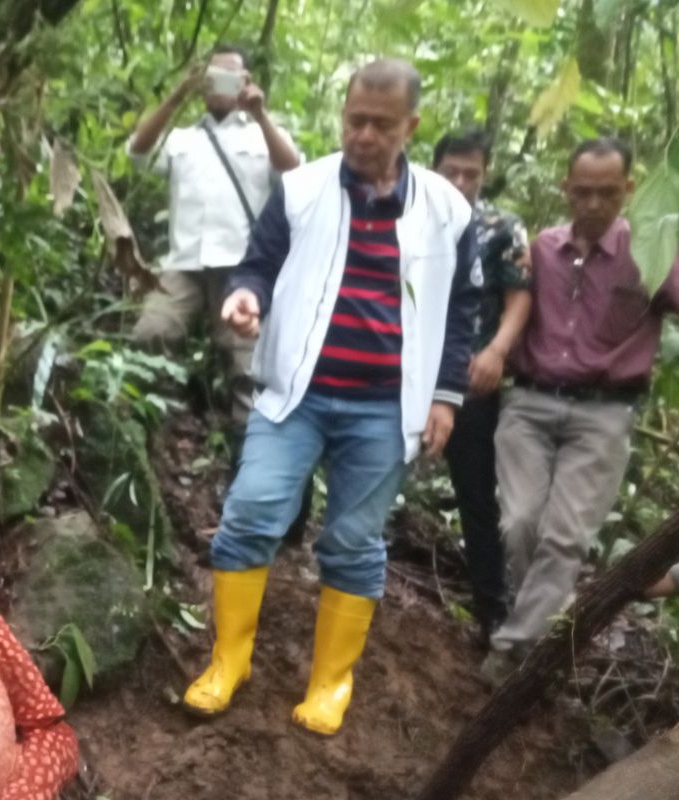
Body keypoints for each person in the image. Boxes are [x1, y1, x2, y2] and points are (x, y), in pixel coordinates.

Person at [182, 58, 481, 736]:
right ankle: (229, 661)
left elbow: (462, 310)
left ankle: (331, 683)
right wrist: (245, 296)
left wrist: (446, 396)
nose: (364, 135)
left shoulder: (445, 209)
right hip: (297, 392)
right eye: (354, 120)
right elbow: (257, 262)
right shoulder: (303, 190)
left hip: (385, 405)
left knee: (352, 539)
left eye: (380, 124)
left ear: (411, 126)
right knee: (251, 512)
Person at [482, 137, 679, 682]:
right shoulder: (539, 249)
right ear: (566, 188)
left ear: (630, 190)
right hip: (531, 403)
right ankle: (547, 625)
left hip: (603, 413)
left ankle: (514, 652)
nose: (593, 204)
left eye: (608, 193)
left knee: (564, 536)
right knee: (520, 522)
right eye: (583, 192)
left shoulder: (652, 252)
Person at [126, 44, 312, 540]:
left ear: (246, 79)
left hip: (240, 272)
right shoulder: (183, 138)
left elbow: (295, 174)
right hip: (184, 264)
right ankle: (149, 450)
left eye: (231, 78)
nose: (220, 86)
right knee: (151, 333)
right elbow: (138, 152)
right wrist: (177, 94)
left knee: (246, 374)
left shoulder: (259, 135)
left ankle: (247, 497)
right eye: (213, 77)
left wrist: (261, 112)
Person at [433, 129, 532, 644]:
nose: (461, 180)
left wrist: (497, 351)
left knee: (476, 495)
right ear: (435, 167)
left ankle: (491, 611)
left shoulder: (502, 227)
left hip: (469, 380)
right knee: (368, 470)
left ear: (485, 173)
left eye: (471, 172)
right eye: (452, 169)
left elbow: (519, 297)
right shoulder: (412, 215)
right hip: (403, 375)